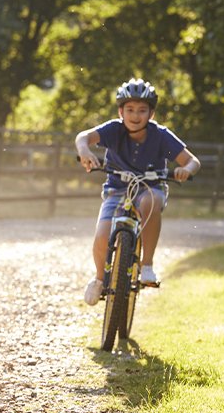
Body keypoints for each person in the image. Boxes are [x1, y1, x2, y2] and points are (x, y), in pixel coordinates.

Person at [75, 77, 200, 305]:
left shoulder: (161, 135)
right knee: (103, 235)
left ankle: (147, 265)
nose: (135, 115)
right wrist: (84, 150)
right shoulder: (113, 129)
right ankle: (100, 279)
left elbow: (193, 161)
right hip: (117, 188)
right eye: (130, 109)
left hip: (150, 187)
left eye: (142, 110)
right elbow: (83, 137)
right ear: (121, 111)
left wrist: (185, 169)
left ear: (151, 114)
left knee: (150, 202)